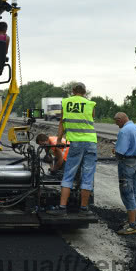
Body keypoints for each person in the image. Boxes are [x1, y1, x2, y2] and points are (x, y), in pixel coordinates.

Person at [46, 82, 97, 217]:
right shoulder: (90, 104)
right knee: (87, 176)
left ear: (73, 90)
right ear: (85, 92)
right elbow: (90, 118)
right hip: (91, 142)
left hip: (76, 143)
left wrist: (58, 140)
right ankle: (84, 209)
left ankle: (62, 207)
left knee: (69, 174)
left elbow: (62, 122)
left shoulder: (66, 102)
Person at [113, 112, 136, 235]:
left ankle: (132, 225)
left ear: (120, 119)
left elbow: (120, 152)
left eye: (117, 122)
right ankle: (132, 219)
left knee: (127, 192)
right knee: (134, 190)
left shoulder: (124, 131)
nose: (117, 125)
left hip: (126, 163)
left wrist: (115, 151)